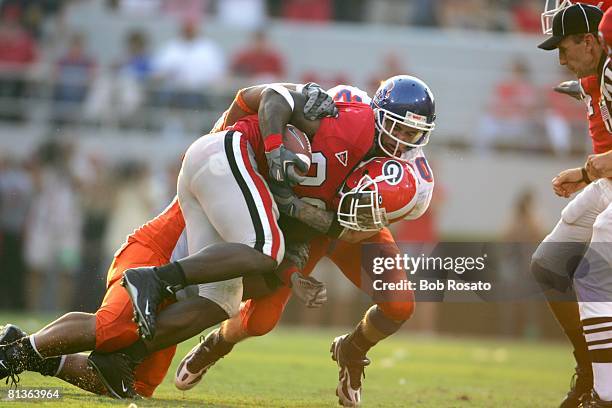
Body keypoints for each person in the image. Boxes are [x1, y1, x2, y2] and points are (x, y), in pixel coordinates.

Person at [0, 84, 338, 399]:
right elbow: (249, 98)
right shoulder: (228, 160)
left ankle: (32, 353)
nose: (288, 181)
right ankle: (13, 355)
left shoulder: (260, 205)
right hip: (154, 254)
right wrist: (292, 94)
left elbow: (269, 261)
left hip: (183, 295)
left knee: (137, 383)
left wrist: (296, 274)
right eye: (286, 169)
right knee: (112, 326)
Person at [173, 83, 435, 407]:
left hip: (356, 229)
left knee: (400, 304)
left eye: (412, 133)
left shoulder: (416, 179)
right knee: (260, 320)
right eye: (398, 127)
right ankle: (218, 342)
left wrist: (358, 216)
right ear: (378, 114)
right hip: (303, 224)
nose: (402, 141)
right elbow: (276, 107)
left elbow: (374, 218)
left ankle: (352, 351)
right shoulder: (345, 116)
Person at [537, 3, 612, 407]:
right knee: (549, 263)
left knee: (594, 276)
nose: (561, 61)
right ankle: (589, 370)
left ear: (589, 40)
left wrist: (593, 169)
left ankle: (606, 394)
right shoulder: (600, 75)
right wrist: (587, 173)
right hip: (607, 184)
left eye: (564, 49)